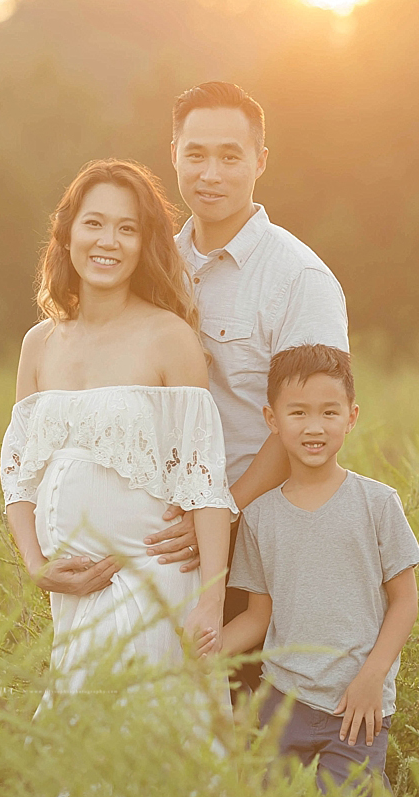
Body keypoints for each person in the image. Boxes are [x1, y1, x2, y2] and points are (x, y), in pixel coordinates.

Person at [0, 158, 236, 703]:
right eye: (94, 223)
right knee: (81, 758)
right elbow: (18, 481)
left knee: (149, 750)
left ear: (145, 243)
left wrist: (210, 599)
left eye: (127, 228)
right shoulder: (39, 344)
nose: (109, 241)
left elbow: (205, 482)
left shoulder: (169, 337)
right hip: (75, 598)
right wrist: (38, 568)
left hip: (155, 584)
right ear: (67, 233)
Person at [142, 80, 351, 691]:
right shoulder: (154, 269)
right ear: (173, 154)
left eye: (230, 156)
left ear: (260, 162)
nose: (211, 173)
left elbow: (309, 428)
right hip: (160, 537)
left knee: (250, 725)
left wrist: (225, 516)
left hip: (259, 541)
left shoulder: (299, 278)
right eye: (196, 154)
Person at [219, 344, 419, 796]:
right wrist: (196, 657)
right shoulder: (259, 516)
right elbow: (258, 616)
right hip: (279, 702)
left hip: (356, 706)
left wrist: (373, 677)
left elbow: (405, 601)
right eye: (298, 414)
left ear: (351, 417)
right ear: (272, 421)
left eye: (329, 413)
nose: (315, 428)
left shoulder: (377, 504)